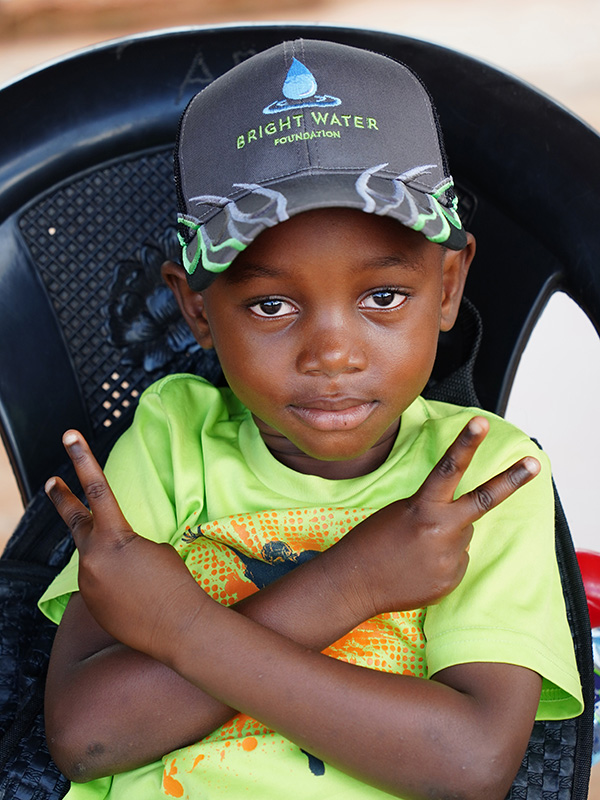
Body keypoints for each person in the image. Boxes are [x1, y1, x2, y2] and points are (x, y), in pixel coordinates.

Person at [39, 38, 583, 800]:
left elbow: (470, 767)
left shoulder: (483, 472)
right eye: (272, 304)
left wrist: (183, 628)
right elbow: (88, 737)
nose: (332, 352)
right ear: (196, 306)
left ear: (450, 283)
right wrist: (351, 584)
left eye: (383, 297)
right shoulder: (169, 440)